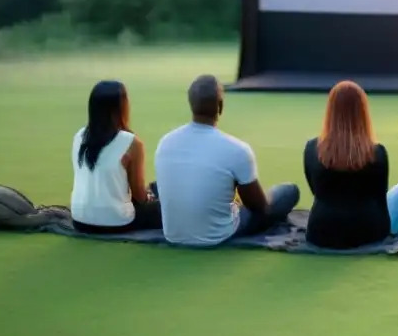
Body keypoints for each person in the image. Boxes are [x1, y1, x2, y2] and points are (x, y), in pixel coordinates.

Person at [154, 74, 300, 247]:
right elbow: (260, 208)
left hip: (173, 233)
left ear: (191, 105)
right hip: (217, 234)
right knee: (288, 192)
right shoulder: (237, 149)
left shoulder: (165, 142)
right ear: (220, 106)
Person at [303, 81, 398, 249]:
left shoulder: (312, 148)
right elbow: (380, 201)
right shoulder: (377, 153)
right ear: (363, 112)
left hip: (320, 233)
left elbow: (316, 191)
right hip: (369, 233)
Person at [70, 80, 162, 233]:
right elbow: (139, 196)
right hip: (116, 221)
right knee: (163, 202)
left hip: (80, 220)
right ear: (121, 108)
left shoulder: (79, 136)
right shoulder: (131, 143)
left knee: (153, 189)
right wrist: (151, 199)